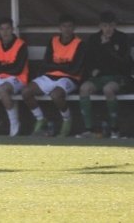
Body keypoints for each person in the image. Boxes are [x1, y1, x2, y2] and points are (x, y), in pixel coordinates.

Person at [22, 14, 85, 137]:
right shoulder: (53, 41)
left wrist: (56, 65)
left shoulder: (80, 44)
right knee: (26, 91)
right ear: (59, 28)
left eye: (70, 26)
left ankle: (67, 120)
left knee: (56, 95)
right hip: (50, 76)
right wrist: (64, 65)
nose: (67, 29)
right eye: (64, 26)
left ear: (74, 28)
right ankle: (40, 119)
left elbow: (75, 69)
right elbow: (46, 64)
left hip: (70, 78)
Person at [77, 11, 132, 139]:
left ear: (115, 25)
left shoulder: (122, 38)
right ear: (100, 26)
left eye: (111, 25)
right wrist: (92, 70)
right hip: (99, 77)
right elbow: (89, 60)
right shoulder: (94, 39)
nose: (108, 29)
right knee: (84, 89)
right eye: (105, 26)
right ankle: (89, 129)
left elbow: (124, 63)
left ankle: (114, 129)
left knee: (108, 89)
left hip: (118, 77)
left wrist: (107, 46)